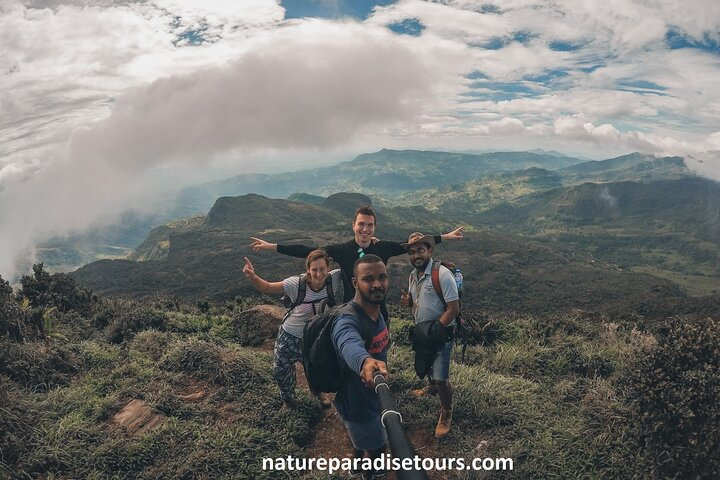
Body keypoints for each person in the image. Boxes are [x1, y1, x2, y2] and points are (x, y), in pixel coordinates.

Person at [249, 205, 464, 320]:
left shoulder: (382, 247)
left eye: (370, 225)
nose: (365, 229)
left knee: (379, 351)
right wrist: (272, 246)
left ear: (374, 227)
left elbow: (412, 244)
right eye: (361, 224)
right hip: (351, 310)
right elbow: (308, 252)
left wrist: (445, 236)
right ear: (353, 225)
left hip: (379, 312)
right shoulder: (343, 250)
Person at [242, 249, 343, 409]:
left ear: (328, 268)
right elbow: (267, 287)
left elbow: (355, 265)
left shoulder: (334, 278)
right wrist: (253, 277)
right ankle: (288, 400)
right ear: (308, 270)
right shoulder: (296, 284)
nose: (318, 274)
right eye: (314, 269)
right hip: (290, 335)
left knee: (315, 369)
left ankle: (318, 392)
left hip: (314, 337)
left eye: (322, 269)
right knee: (280, 370)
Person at [331, 254, 390, 479]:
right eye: (368, 279)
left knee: (360, 443)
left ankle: (357, 465)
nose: (377, 283)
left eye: (382, 277)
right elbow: (348, 343)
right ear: (355, 283)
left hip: (371, 398)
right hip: (358, 405)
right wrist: (364, 362)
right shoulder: (347, 319)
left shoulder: (376, 310)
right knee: (377, 451)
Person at [399, 232, 459, 438]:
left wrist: (435, 330)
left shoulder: (442, 275)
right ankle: (431, 387)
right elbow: (417, 303)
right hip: (423, 332)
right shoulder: (412, 276)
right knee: (425, 365)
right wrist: (409, 304)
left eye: (420, 250)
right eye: (412, 252)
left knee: (441, 378)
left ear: (430, 251)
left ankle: (447, 411)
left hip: (441, 334)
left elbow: (453, 308)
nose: (416, 255)